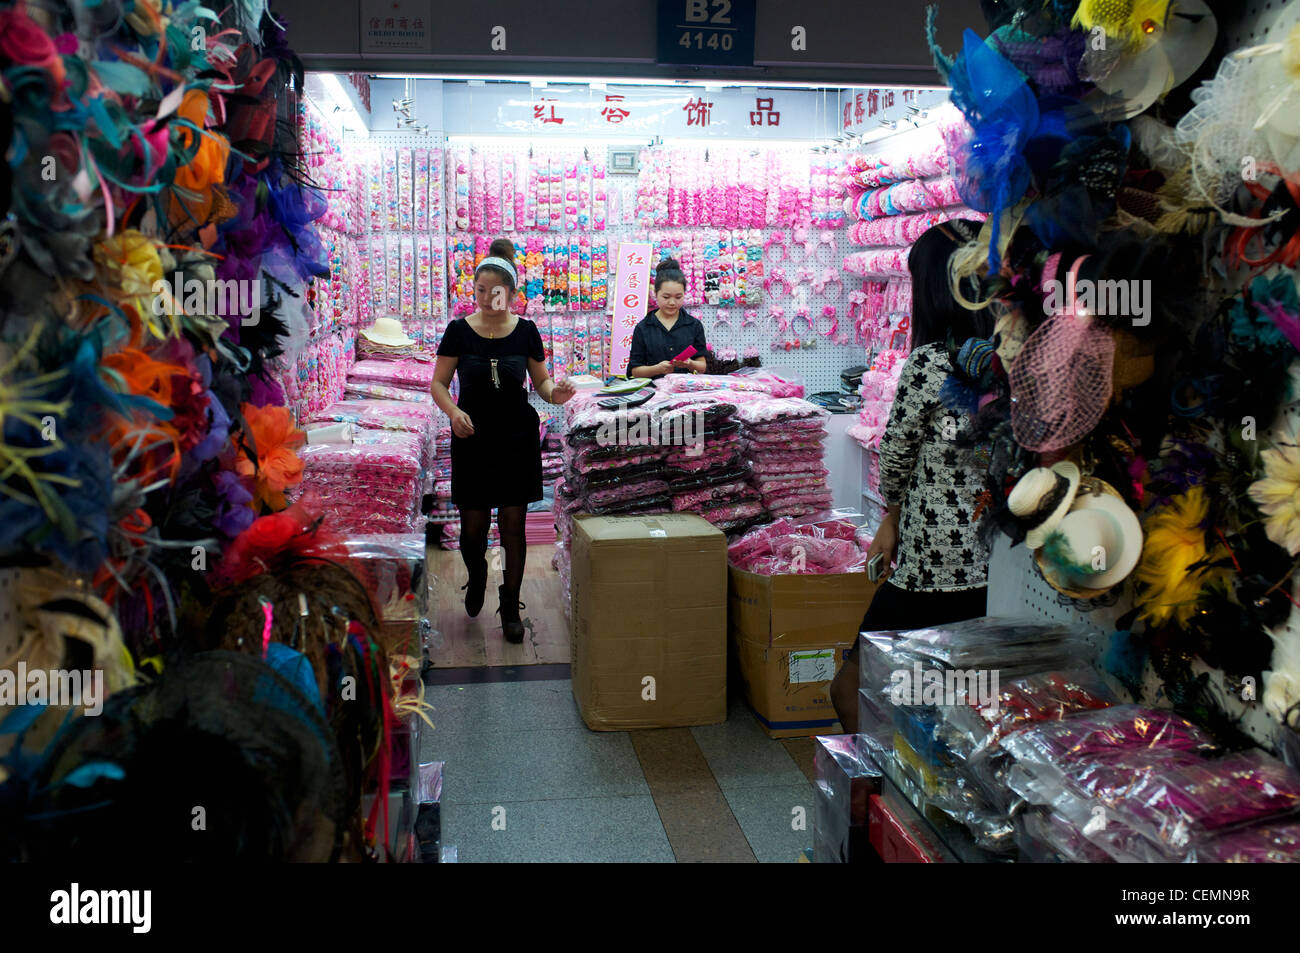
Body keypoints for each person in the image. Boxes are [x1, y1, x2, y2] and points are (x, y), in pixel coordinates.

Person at [830, 221, 993, 732]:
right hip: (997, 560)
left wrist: (890, 518)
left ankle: (871, 792)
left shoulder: (930, 361)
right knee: (962, 692)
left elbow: (897, 451)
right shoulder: (1009, 360)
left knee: (855, 681)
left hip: (934, 556)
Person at [431, 238, 576, 642]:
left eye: (496, 292)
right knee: (473, 526)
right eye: (480, 291)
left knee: (514, 525)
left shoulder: (527, 332)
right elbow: (439, 384)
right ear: (474, 290)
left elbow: (542, 382)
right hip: (473, 438)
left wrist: (555, 393)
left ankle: (510, 603)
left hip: (517, 438)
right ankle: (477, 575)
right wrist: (454, 412)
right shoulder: (458, 331)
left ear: (512, 294)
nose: (487, 298)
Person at [627, 258, 708, 378]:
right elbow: (635, 371)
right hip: (654, 392)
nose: (672, 302)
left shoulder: (694, 325)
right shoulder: (643, 327)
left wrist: (690, 363)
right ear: (656, 294)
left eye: (678, 297)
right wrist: (657, 369)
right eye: (666, 297)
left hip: (685, 390)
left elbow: (702, 366)